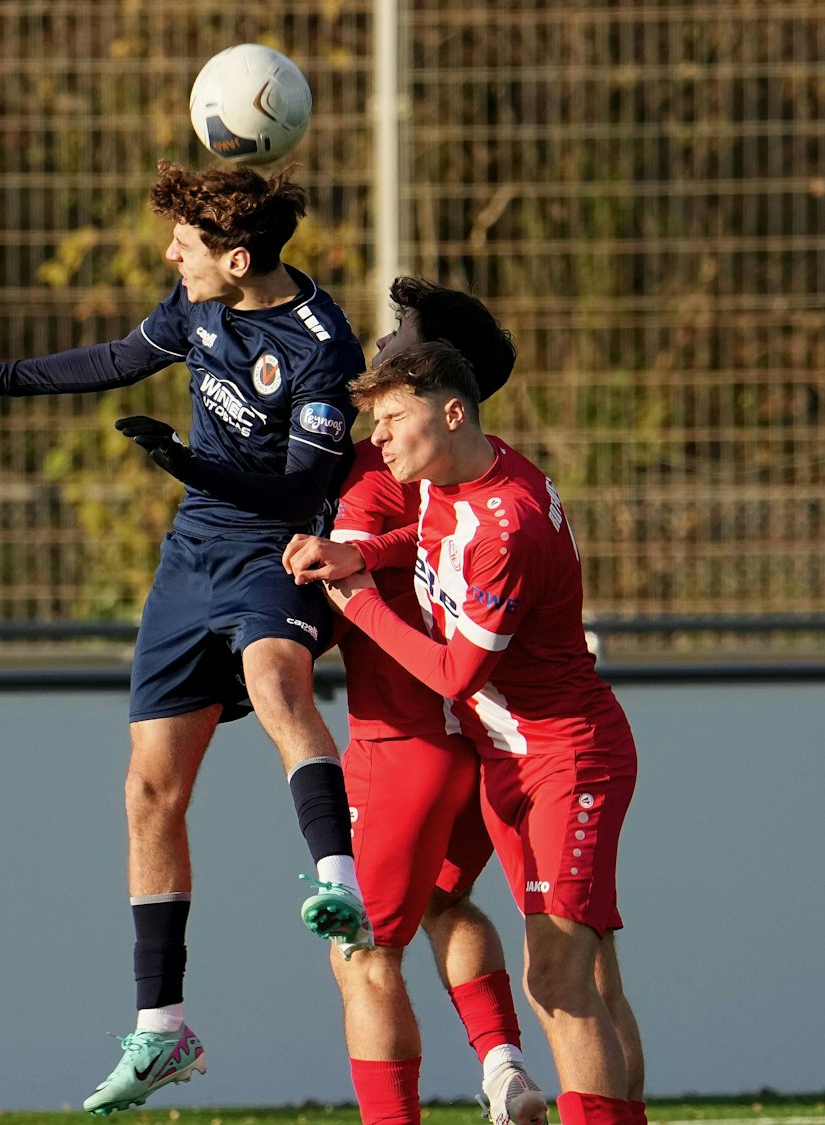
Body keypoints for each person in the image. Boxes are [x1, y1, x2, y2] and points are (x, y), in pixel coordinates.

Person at [0, 161, 370, 1114]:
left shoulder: (322, 345)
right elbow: (119, 358)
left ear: (238, 258)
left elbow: (298, 492)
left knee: (280, 683)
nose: (171, 255)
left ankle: (340, 879)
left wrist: (191, 461)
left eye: (186, 245)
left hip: (272, 553)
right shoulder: (197, 308)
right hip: (189, 561)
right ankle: (162, 1032)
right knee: (149, 790)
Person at [286, 341, 648, 1125]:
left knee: (556, 979)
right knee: (583, 978)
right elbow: (427, 540)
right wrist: (362, 550)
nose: (377, 437)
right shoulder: (463, 474)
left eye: (392, 419)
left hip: (564, 757)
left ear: (452, 413)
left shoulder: (508, 523)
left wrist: (360, 603)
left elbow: (455, 675)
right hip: (508, 760)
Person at [325, 279, 545, 1125]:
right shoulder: (475, 472)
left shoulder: (384, 470)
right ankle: (503, 1068)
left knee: (362, 950)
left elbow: (335, 589)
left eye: (400, 341)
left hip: (400, 741)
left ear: (439, 384)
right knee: (446, 903)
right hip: (480, 740)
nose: (381, 348)